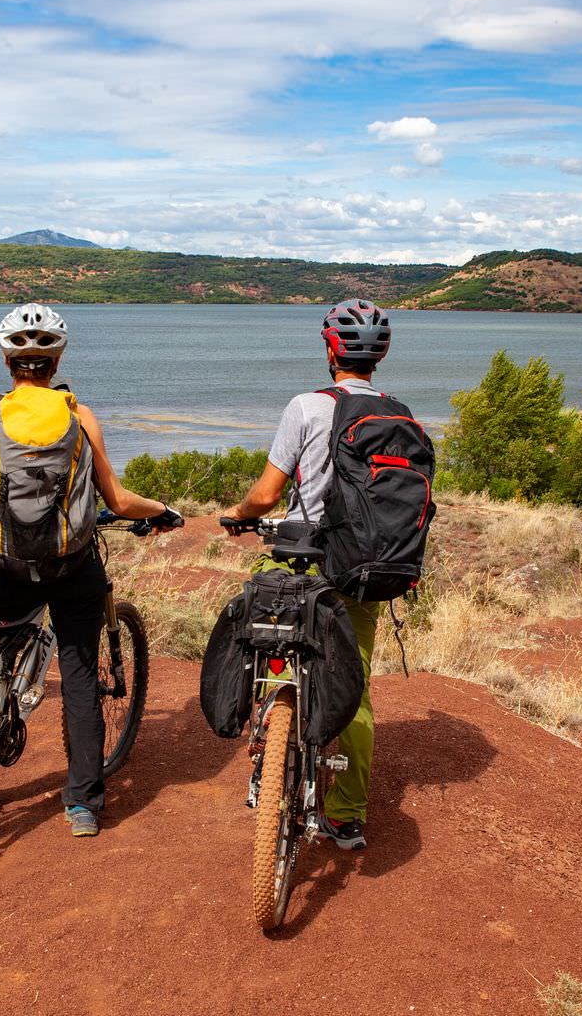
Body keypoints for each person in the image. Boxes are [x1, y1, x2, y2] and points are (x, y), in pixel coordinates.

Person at [0, 303, 180, 837]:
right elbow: (119, 500)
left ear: (7, 358)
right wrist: (165, 512)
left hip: (9, 563)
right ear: (56, 359)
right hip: (71, 565)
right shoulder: (80, 418)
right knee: (80, 679)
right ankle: (81, 803)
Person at [220, 298, 391, 852]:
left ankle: (271, 732)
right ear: (379, 355)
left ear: (329, 349)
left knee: (269, 635)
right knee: (355, 685)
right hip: (364, 567)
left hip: (301, 557)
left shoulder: (307, 406)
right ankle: (346, 817)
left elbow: (268, 494)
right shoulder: (398, 413)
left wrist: (239, 515)